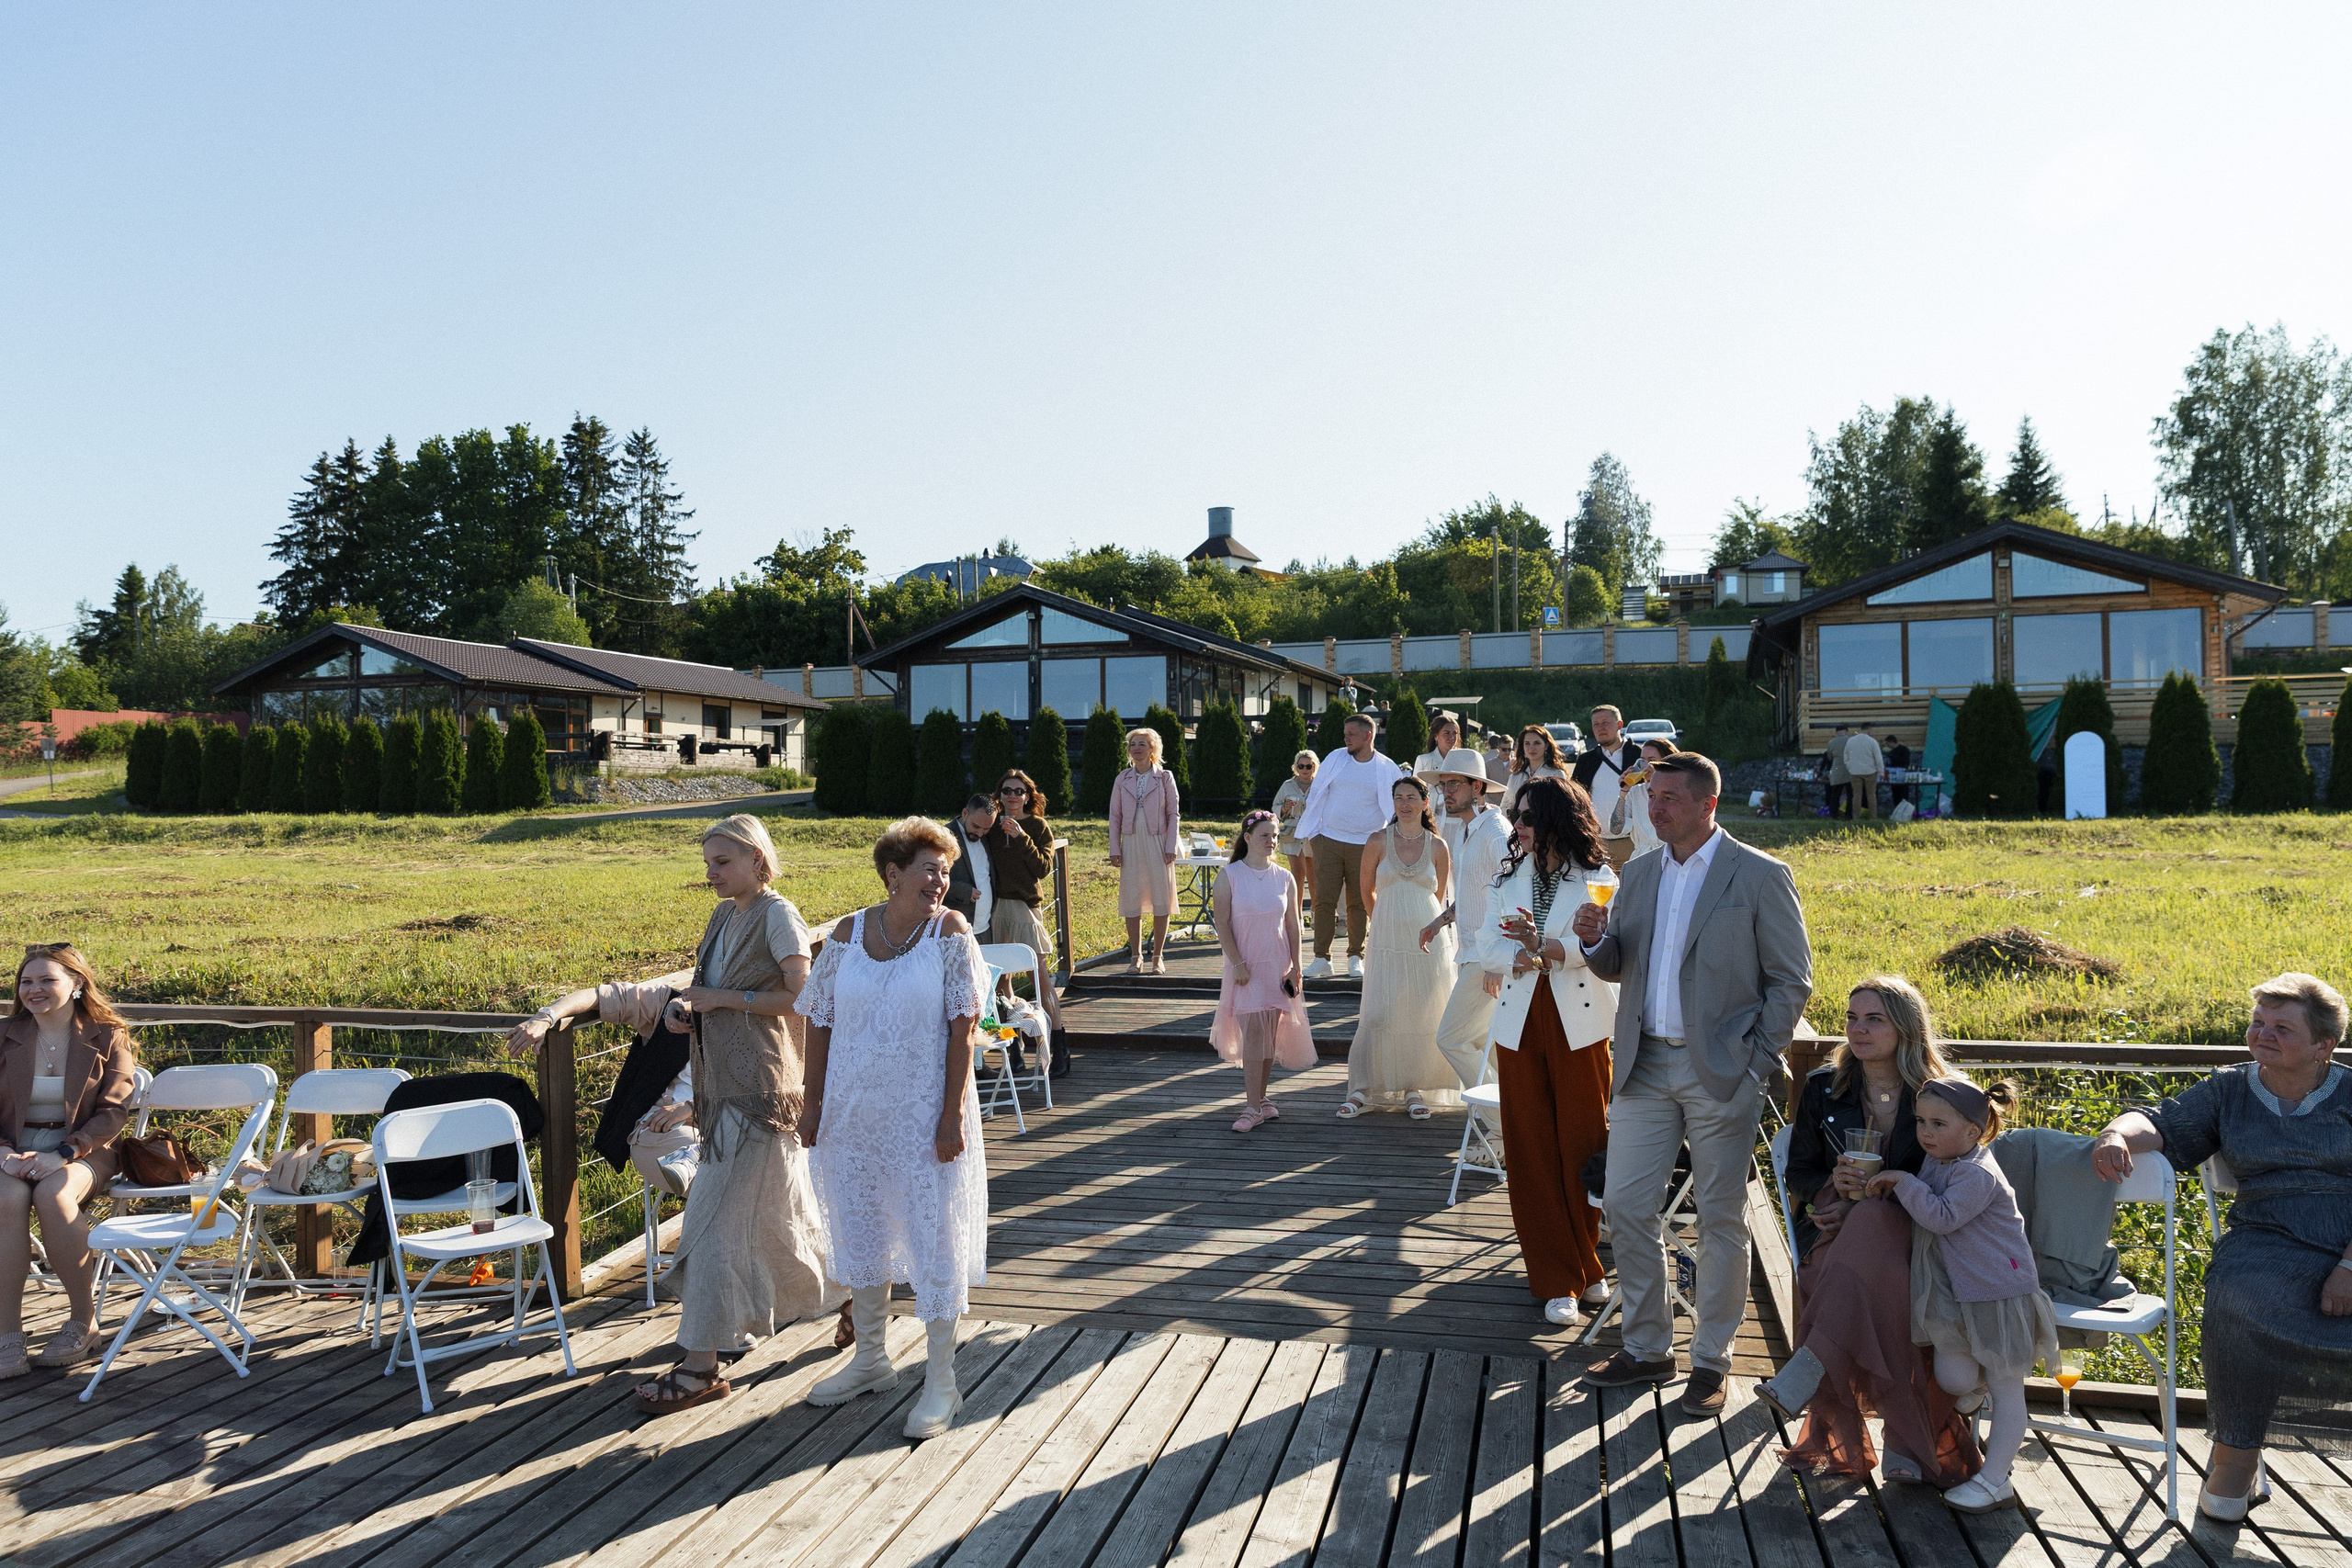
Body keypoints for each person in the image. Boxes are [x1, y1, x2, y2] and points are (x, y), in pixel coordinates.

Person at [535, 815, 840, 1415]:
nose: (711, 873)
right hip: (720, 1094)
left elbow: (807, 997)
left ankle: (700, 1366)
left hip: (762, 1096)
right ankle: (855, 1295)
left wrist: (724, 1000)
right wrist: (685, 1013)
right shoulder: (723, 916)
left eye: (721, 862)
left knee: (708, 1226)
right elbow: (707, 991)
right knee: (784, 1220)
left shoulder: (779, 914)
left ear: (758, 858)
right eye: (707, 863)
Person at [1574, 750, 1814, 1415]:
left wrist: (1756, 1061)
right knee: (1623, 1203)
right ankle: (1648, 1346)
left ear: (1708, 803)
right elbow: (1619, 962)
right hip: (1644, 1064)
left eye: (1670, 798)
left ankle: (1711, 1360)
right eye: (1653, 796)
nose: (1656, 808)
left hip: (1723, 1070)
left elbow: (1792, 980)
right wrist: (1594, 940)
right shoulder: (1640, 871)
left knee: (1719, 1217)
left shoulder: (1762, 874)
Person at [2091, 972, 2352, 1522]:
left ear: (2324, 1045)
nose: (2263, 1034)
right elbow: (2160, 1122)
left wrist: (2349, 1266)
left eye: (2283, 1027)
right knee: (2235, 1295)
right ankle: (2235, 1458)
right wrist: (2117, 1133)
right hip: (2266, 1235)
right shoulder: (2230, 1088)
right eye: (2259, 1022)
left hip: (2349, 1242)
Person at [797, 817, 991, 1441]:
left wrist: (952, 1112)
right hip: (853, 1117)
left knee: (935, 1240)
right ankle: (871, 1358)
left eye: (946, 869)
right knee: (862, 1226)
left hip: (922, 1116)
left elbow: (964, 1030)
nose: (942, 880)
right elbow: (818, 1020)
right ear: (892, 873)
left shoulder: (951, 934)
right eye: (930, 868)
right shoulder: (848, 934)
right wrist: (813, 1100)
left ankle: (942, 1380)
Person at [1760, 977, 1982, 1490]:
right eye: (1852, 1019)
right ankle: (1908, 1441)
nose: (1858, 1029)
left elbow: (1964, 1170)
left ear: (1906, 1027)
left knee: (1875, 1218)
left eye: (1873, 1019)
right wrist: (1825, 1192)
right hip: (1841, 1235)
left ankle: (1814, 1364)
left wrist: (1883, 1193)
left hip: (1923, 1235)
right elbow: (1801, 1170)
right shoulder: (1823, 1087)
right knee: (1862, 1236)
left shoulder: (1941, 1093)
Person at [1860, 1077, 2055, 1514]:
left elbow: (1941, 1217)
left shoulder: (1977, 1174)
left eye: (1939, 1123)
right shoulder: (1942, 1161)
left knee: (2009, 1391)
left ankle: (1995, 1479)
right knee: (1954, 1378)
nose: (1925, 1132)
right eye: (1921, 1121)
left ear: (1974, 1131)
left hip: (1999, 1293)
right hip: (1960, 1294)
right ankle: (1978, 1386)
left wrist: (1902, 1181)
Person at [1478, 779, 1617, 1326]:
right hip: (1520, 1020)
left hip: (1580, 1022)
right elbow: (1482, 944)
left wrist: (1548, 948)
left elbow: (1603, 948)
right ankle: (1556, 1276)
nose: (1520, 827)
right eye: (1518, 817)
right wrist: (1517, 952)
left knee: (1583, 1142)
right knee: (1531, 1145)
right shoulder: (1506, 876)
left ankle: (1587, 1262)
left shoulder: (1600, 879)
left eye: (1530, 818)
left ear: (1561, 819)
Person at [0, 943, 137, 1376]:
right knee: (6, 1200)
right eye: (27, 981)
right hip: (11, 1150)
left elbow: (114, 1111)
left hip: (83, 1150)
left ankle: (83, 1320)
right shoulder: (5, 1035)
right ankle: (7, 1333)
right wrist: (4, 1154)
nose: (33, 990)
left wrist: (63, 1154)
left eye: (47, 980)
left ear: (77, 984)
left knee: (54, 1195)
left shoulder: (107, 1035)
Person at [1337, 776, 1456, 1119]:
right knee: (1378, 1011)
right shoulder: (1377, 840)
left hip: (1426, 940)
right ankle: (1362, 1087)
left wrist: (1420, 924)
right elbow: (1365, 891)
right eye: (1398, 797)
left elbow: (1438, 896)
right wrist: (1385, 922)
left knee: (1419, 1009)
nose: (1404, 803)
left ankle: (1413, 1087)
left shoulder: (1438, 846)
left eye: (1411, 797)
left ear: (1424, 802)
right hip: (1386, 938)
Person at [1423, 749, 1513, 1137]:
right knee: (1485, 1046)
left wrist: (1498, 961)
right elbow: (1479, 894)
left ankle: (1502, 1125)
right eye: (1443, 786)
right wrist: (1439, 920)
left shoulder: (1496, 832)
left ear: (1479, 787)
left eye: (1454, 785)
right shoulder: (1465, 830)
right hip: (1472, 952)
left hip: (1487, 957)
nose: (1446, 793)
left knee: (1453, 1039)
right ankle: (1512, 1119)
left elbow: (1511, 895)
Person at [1210, 810, 1313, 1132]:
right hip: (1245, 966)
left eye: (1275, 836)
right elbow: (1222, 922)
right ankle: (1252, 1106)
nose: (1271, 841)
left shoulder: (1285, 877)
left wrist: (1296, 967)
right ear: (1248, 838)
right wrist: (1237, 963)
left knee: (1268, 1033)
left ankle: (1262, 1099)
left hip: (1277, 964)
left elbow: (1293, 925)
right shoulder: (1230, 876)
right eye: (1265, 835)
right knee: (1254, 1033)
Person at [1293, 713, 1404, 980]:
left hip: (1366, 845)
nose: (1346, 738)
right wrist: (1315, 834)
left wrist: (1390, 841)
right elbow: (1318, 793)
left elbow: (1398, 805)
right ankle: (1321, 959)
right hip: (1328, 840)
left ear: (1368, 736)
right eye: (1345, 734)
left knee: (1359, 902)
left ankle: (1356, 957)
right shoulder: (1335, 757)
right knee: (1323, 901)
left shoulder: (1387, 767)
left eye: (1351, 734)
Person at [981, 769, 1065, 1056]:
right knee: (999, 980)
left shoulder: (1038, 826)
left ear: (1028, 796)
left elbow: (1043, 868)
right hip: (994, 907)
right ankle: (1012, 1047)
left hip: (1025, 908)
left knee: (1038, 978)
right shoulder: (990, 825)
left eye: (1019, 791)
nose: (1012, 796)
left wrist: (1020, 837)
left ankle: (1057, 1045)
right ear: (999, 796)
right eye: (1007, 791)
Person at [1107, 728, 1182, 975]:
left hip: (1158, 841)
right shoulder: (1122, 778)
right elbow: (1114, 816)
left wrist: (1170, 847)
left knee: (1162, 898)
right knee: (1132, 898)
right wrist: (1114, 848)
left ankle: (1158, 956)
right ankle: (1136, 956)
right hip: (1130, 841)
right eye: (1133, 744)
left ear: (1152, 750)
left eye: (1142, 744)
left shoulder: (1165, 777)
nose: (1137, 748)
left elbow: (1173, 814)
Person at [1570, 706, 1641, 866]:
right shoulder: (1585, 761)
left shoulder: (1638, 756)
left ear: (1620, 724)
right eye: (1596, 724)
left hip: (1633, 842)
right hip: (1596, 843)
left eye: (1606, 722)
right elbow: (1574, 799)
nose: (1600, 727)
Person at [1606, 739, 1677, 860]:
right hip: (1642, 858)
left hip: (1671, 855)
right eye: (1643, 760)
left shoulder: (1678, 790)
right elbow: (1616, 829)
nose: (1646, 765)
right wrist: (1624, 792)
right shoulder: (1635, 792)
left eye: (1652, 760)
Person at [944, 795, 998, 939]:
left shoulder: (986, 837)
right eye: (976, 826)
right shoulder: (943, 837)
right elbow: (928, 879)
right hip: (957, 933)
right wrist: (963, 891)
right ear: (965, 813)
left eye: (986, 829)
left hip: (985, 928)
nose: (980, 833)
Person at [1272, 750, 1317, 912]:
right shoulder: (1287, 785)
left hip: (1312, 833)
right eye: (1301, 766)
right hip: (1292, 832)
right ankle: (1296, 916)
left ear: (1314, 767)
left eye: (1308, 766)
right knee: (1297, 875)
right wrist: (1284, 808)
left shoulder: (1320, 784)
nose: (1305, 769)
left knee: (1314, 877)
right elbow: (1274, 808)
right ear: (1296, 767)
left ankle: (1315, 913)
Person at [1502, 725, 1568, 817]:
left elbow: (1560, 809)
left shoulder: (1556, 775)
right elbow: (1503, 808)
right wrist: (1513, 812)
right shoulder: (1514, 777)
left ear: (1546, 745)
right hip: (1517, 827)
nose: (1531, 748)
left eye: (1537, 743)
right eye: (1527, 743)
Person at [1414, 711, 1464, 826]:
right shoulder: (1424, 760)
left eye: (1455, 733)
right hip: (1431, 818)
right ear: (1436, 736)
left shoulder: (1462, 760)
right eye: (1446, 733)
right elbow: (1417, 792)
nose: (1452, 737)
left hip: (1458, 819)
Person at [1845, 727, 1884, 820]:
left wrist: (1849, 767)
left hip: (1854, 771)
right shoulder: (1872, 741)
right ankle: (1873, 817)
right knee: (1871, 795)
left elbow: (1846, 755)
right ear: (1869, 729)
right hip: (1870, 771)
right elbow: (1878, 758)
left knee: (1857, 796)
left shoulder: (1851, 741)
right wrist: (1881, 771)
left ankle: (1856, 817)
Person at [1824, 725, 1853, 819]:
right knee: (1850, 795)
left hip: (1837, 769)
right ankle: (1849, 815)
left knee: (1835, 794)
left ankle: (1833, 815)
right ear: (1846, 731)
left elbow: (1829, 757)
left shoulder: (1831, 742)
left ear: (1836, 732)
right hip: (1850, 769)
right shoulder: (1851, 740)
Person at [1884, 734, 1914, 808]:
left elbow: (1906, 762)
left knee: (1903, 794)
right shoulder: (1892, 752)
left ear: (1891, 742)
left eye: (1887, 743)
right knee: (1895, 794)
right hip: (1893, 776)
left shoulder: (1904, 750)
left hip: (1902, 775)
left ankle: (1904, 809)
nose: (1887, 745)